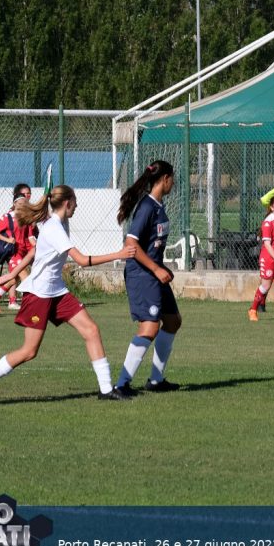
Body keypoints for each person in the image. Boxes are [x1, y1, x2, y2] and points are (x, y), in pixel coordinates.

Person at [0, 185, 137, 401]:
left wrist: (12, 275)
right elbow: (82, 261)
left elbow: (34, 251)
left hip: (57, 291)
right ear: (67, 203)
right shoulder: (55, 228)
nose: (77, 206)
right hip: (39, 294)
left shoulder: (58, 222)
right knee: (29, 351)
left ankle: (106, 390)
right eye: (75, 202)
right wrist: (120, 254)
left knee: (91, 330)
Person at [114, 161, 182, 395]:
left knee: (172, 321)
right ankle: (121, 384)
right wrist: (156, 269)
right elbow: (131, 244)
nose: (173, 182)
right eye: (172, 178)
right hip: (142, 274)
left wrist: (160, 268)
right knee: (150, 327)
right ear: (165, 179)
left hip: (154, 272)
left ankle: (155, 380)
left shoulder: (158, 206)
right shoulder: (147, 206)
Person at [0, 183, 33, 310]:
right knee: (25, 276)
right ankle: (32, 303)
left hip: (24, 252)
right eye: (19, 203)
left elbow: (31, 237)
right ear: (15, 204)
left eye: (24, 203)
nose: (22, 205)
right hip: (13, 253)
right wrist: (8, 240)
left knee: (13, 280)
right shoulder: (7, 217)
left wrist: (38, 247)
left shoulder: (27, 217)